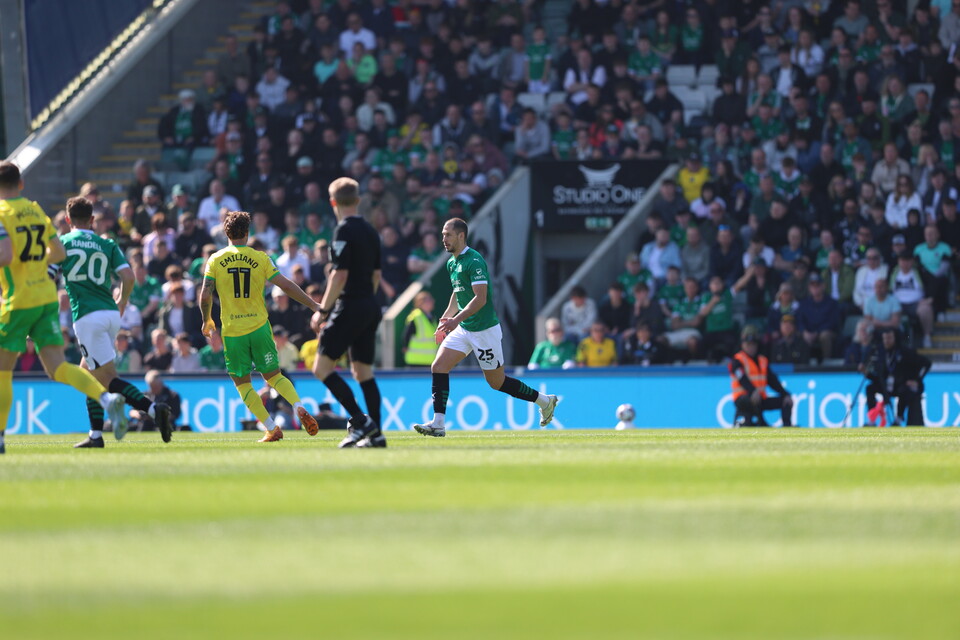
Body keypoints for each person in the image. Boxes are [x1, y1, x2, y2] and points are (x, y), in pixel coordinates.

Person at [0, 162, 126, 454]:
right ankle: (107, 399)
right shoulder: (35, 211)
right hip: (45, 298)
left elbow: (5, 255)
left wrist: (22, 267)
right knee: (58, 367)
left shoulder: (2, 213)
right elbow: (57, 252)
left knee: (3, 372)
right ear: (21, 184)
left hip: (18, 299)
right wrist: (35, 265)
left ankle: (1, 439)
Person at [412, 218, 559, 437]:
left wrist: (455, 320)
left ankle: (544, 401)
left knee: (497, 382)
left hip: (484, 331)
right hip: (465, 328)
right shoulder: (452, 263)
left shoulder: (475, 260)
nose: (444, 239)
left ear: (461, 236)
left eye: (448, 234)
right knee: (439, 366)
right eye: (443, 234)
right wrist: (446, 318)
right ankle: (438, 423)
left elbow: (480, 299)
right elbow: (458, 292)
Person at [58, 197, 172, 448]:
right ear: (92, 220)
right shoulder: (107, 243)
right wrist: (122, 301)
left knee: (107, 378)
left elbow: (49, 273)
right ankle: (95, 435)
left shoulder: (63, 242)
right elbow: (128, 277)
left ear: (67, 220)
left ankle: (154, 410)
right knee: (88, 374)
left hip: (87, 315)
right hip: (110, 313)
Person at [199, 211, 321, 443]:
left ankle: (271, 428)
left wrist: (206, 319)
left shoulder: (215, 259)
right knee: (274, 376)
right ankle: (298, 405)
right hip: (259, 327)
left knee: (242, 383)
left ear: (226, 233)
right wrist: (314, 304)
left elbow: (205, 294)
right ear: (247, 233)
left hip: (233, 332)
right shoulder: (261, 258)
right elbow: (286, 285)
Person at [307, 178, 386, 448]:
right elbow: (376, 275)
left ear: (333, 202)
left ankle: (360, 421)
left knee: (321, 368)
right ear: (358, 200)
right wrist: (366, 300)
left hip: (350, 305)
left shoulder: (343, 230)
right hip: (370, 305)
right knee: (363, 372)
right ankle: (377, 435)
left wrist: (323, 311)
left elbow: (339, 275)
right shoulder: (371, 231)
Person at [729, 326, 794, 427]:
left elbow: (772, 381)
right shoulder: (737, 361)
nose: (751, 347)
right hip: (743, 398)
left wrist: (785, 394)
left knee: (785, 401)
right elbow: (742, 379)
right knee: (752, 402)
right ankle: (761, 423)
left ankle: (787, 427)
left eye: (753, 344)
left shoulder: (762, 360)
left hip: (760, 398)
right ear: (742, 344)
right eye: (748, 344)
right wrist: (752, 391)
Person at [864, 327, 931, 426]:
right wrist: (866, 373)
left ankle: (899, 418)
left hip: (900, 385)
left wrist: (917, 380)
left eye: (889, 338)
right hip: (886, 386)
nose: (886, 341)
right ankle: (872, 419)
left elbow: (926, 363)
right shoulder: (880, 354)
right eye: (884, 338)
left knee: (904, 390)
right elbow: (879, 377)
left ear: (895, 338)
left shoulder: (905, 352)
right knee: (870, 388)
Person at [402, 291, 439, 367]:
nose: (433, 301)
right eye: (429, 300)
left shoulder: (432, 318)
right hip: (415, 361)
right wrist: (405, 346)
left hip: (430, 361)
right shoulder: (416, 316)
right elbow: (406, 335)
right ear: (421, 302)